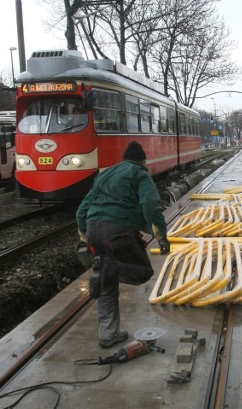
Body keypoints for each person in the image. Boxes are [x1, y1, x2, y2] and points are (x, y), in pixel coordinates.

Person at [76, 141, 170, 348]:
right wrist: (161, 235)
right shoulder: (140, 174)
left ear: (124, 159)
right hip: (118, 231)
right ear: (142, 160)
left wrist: (85, 236)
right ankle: (108, 268)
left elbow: (81, 210)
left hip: (93, 229)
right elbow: (150, 205)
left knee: (107, 285)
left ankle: (108, 333)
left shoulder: (105, 174)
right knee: (143, 271)